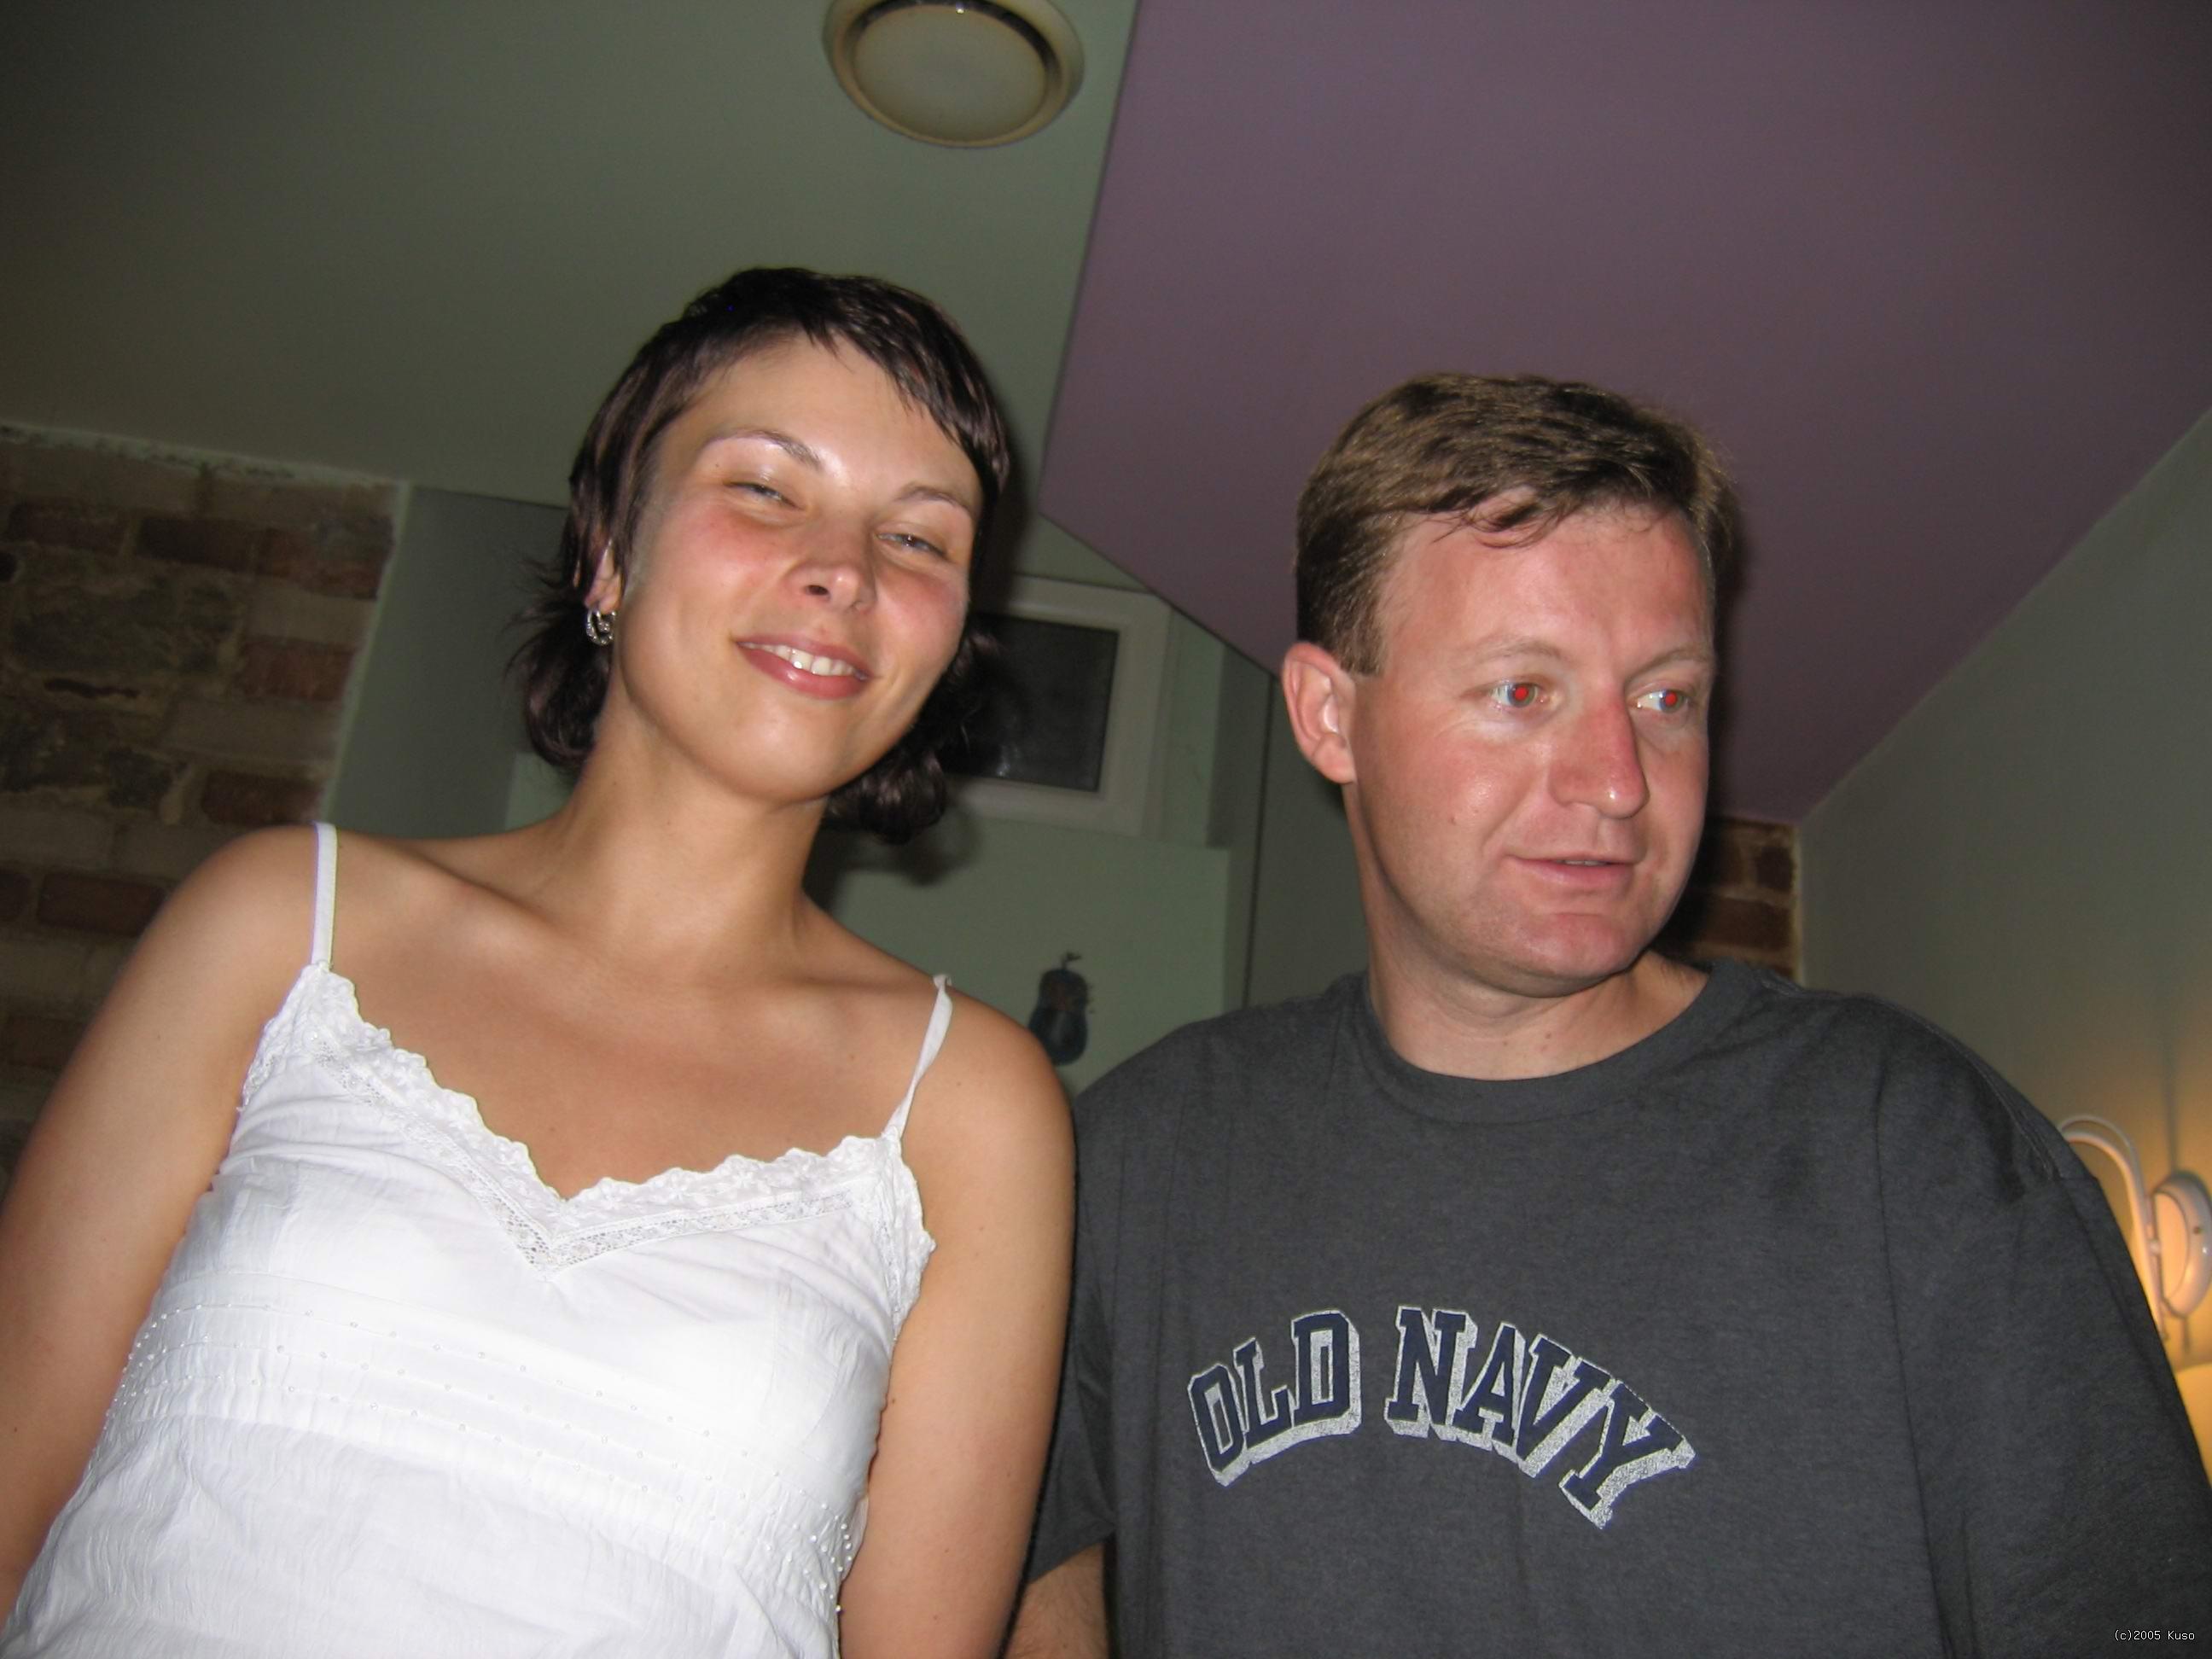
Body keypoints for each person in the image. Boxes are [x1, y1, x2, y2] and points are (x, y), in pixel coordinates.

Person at [1010, 374, 2212, 1656]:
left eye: (1664, 698)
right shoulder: (1140, 1155)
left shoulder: (1911, 1147)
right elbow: (1022, 1543)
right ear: (1329, 716)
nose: (1620, 781)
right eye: (1524, 692)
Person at [0, 267, 1071, 1656]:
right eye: (764, 488)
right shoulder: (279, 925)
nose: (846, 571)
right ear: (609, 557)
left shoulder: (974, 1108)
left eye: (919, 539)